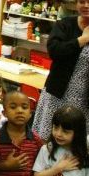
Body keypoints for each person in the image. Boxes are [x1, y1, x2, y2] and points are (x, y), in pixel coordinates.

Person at [32, 0, 89, 140]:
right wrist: (81, 40)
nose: (86, 5)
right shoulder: (65, 24)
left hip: (84, 99)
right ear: (76, 4)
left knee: (76, 140)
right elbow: (54, 50)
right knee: (47, 136)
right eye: (82, 1)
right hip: (57, 94)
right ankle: (43, 161)